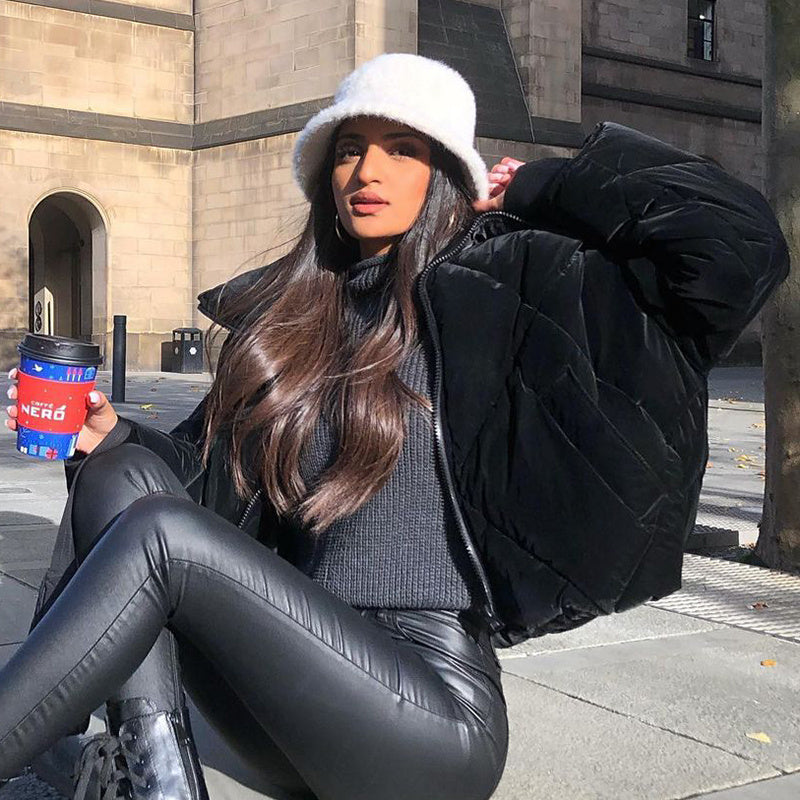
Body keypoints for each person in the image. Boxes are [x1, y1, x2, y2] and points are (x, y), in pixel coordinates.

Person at [0, 52, 789, 800]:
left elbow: (738, 245)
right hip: (280, 694)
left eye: (401, 148)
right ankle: (156, 774)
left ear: (445, 170)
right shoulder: (292, 323)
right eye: (349, 149)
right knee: (122, 472)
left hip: (428, 717)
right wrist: (110, 436)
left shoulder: (520, 290)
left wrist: (544, 184)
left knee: (161, 537)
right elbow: (204, 491)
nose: (367, 171)